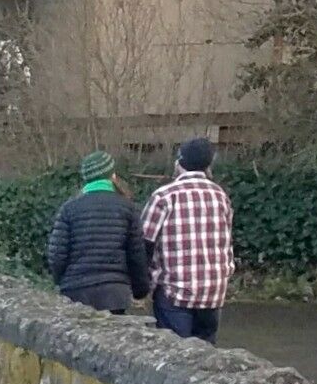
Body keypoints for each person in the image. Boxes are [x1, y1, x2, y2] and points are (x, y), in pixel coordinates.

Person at [142, 138, 235, 342]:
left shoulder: (164, 196)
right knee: (205, 357)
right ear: (208, 165)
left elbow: (145, 243)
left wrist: (144, 284)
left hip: (175, 292)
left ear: (179, 163)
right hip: (213, 292)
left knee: (175, 355)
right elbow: (227, 241)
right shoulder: (220, 195)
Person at [46, 151, 151, 314]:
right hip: (115, 293)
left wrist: (62, 282)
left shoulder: (69, 209)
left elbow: (57, 255)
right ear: (113, 176)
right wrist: (141, 290)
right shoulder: (127, 207)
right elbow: (136, 254)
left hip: (76, 290)